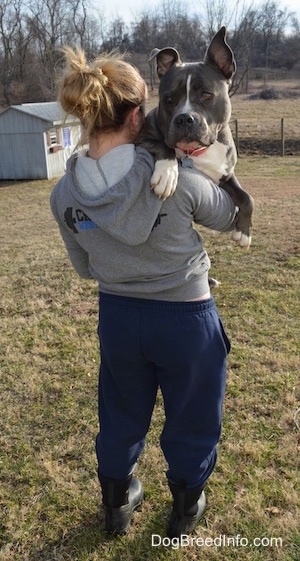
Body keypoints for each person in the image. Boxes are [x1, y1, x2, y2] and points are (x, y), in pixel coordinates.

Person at [50, 47, 238, 539]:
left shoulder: (63, 194)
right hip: (186, 317)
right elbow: (229, 216)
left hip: (117, 317)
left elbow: (84, 267)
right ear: (139, 116)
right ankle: (185, 506)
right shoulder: (175, 180)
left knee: (120, 412)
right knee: (193, 416)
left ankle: (116, 501)